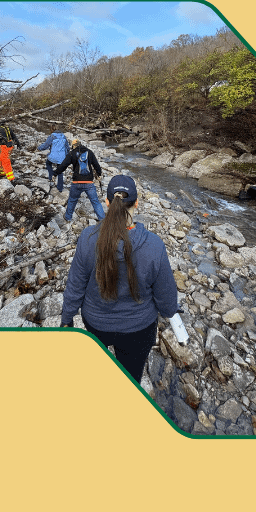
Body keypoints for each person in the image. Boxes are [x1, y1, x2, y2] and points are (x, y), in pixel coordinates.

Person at [60, 175, 188, 382]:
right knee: (131, 378)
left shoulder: (88, 238)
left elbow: (75, 285)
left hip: (95, 323)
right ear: (136, 203)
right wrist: (169, 311)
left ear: (107, 203)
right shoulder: (154, 245)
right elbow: (166, 296)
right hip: (138, 328)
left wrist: (66, 320)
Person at [55, 138, 105, 221]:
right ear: (80, 144)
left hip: (76, 182)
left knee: (72, 200)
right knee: (95, 202)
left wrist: (55, 172)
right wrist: (99, 174)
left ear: (73, 146)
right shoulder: (89, 152)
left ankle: (68, 217)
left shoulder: (72, 153)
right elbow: (96, 165)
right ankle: (103, 220)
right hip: (89, 183)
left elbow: (63, 165)